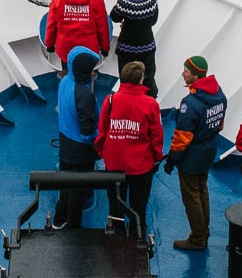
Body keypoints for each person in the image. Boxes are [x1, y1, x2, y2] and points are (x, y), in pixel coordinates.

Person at [162, 56, 225, 251]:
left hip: (192, 156)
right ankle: (204, 230)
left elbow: (182, 137)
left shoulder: (190, 103)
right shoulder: (220, 95)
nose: (183, 73)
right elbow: (219, 125)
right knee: (202, 189)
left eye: (186, 71)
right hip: (209, 150)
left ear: (196, 75)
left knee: (191, 197)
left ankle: (198, 238)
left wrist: (172, 160)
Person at [95, 61, 162, 228]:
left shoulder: (110, 100)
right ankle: (137, 236)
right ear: (141, 80)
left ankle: (115, 236)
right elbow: (156, 136)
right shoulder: (150, 104)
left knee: (115, 206)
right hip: (141, 166)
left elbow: (103, 129)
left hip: (114, 163)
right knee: (138, 207)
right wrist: (157, 158)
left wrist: (102, 151)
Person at [52, 46, 102, 229]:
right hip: (80, 150)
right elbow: (87, 131)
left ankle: (59, 219)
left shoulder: (65, 81)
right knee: (78, 189)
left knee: (65, 183)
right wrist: (99, 143)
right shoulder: (84, 94)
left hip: (65, 143)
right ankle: (73, 225)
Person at [45, 0, 111, 67]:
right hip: (89, 48)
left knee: (68, 73)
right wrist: (105, 48)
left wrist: (49, 44)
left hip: (65, 47)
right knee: (86, 76)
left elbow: (51, 23)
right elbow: (102, 26)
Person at [109, 0, 160, 89]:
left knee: (127, 79)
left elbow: (114, 16)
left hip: (128, 48)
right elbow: (153, 21)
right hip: (147, 46)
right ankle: (149, 100)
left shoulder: (125, 2)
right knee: (148, 77)